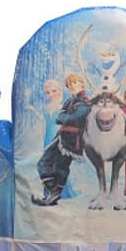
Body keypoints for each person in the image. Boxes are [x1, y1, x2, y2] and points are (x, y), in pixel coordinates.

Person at [33, 74, 90, 206]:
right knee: (43, 163)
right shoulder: (70, 101)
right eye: (69, 84)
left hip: (71, 140)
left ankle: (53, 196)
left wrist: (65, 117)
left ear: (82, 83)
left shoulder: (85, 101)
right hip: (61, 136)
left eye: (74, 82)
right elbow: (62, 117)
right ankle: (52, 193)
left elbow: (73, 117)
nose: (72, 86)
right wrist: (65, 116)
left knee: (60, 167)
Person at [25, 79, 76, 199]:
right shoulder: (47, 107)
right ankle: (49, 192)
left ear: (59, 91)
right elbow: (43, 118)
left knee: (59, 164)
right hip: (48, 137)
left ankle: (62, 192)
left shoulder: (64, 106)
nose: (51, 94)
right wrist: (31, 109)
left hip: (59, 137)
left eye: (54, 91)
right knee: (48, 164)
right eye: (48, 92)